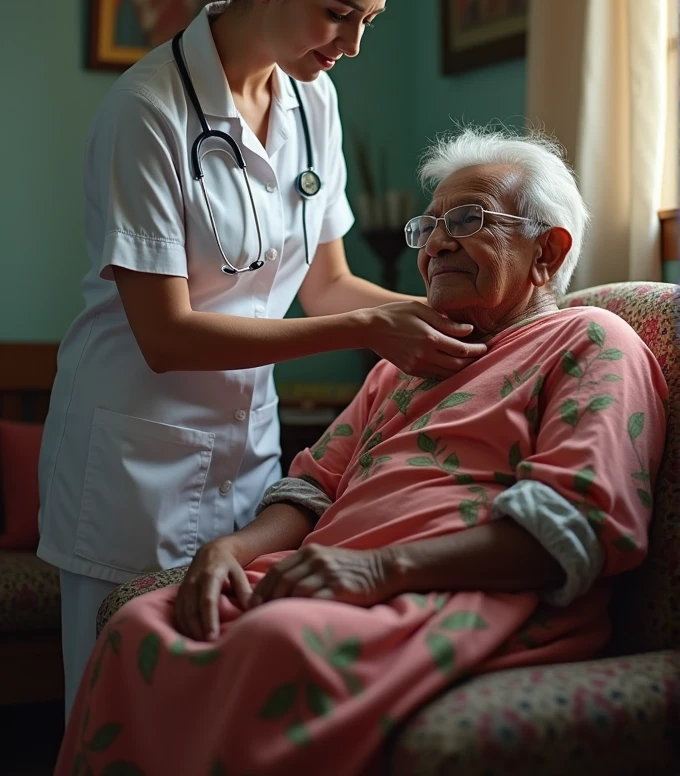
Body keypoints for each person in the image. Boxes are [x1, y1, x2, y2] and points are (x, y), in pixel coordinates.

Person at [54, 127, 667, 776]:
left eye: (467, 219)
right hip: (345, 577)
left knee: (277, 640)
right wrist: (232, 548)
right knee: (141, 621)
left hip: (467, 590)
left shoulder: (591, 340)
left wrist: (379, 571)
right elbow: (312, 488)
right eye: (427, 228)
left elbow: (573, 530)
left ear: (548, 249)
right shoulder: (406, 363)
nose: (436, 243)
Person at [38, 0, 487, 718]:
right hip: (133, 466)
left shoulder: (313, 99)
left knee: (214, 715)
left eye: (370, 21)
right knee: (117, 713)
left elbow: (328, 285)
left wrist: (476, 312)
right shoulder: (147, 113)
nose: (354, 45)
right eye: (339, 14)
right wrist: (369, 330)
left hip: (248, 465)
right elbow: (166, 336)